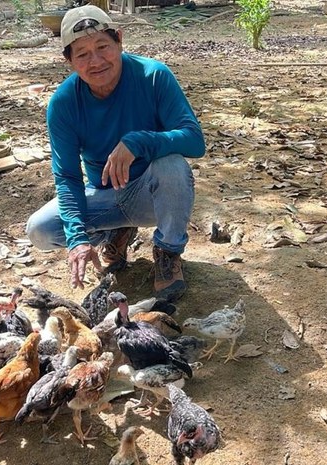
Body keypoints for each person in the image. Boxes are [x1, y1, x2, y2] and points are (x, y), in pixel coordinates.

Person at [26, 5, 205, 303]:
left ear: (119, 40)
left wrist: (138, 142)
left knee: (173, 165)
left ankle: (168, 251)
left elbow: (194, 141)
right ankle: (116, 234)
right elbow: (68, 177)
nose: (96, 61)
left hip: (152, 195)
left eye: (102, 46)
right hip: (104, 196)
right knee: (40, 230)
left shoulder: (153, 76)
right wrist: (77, 239)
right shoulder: (64, 103)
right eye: (82, 54)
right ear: (69, 61)